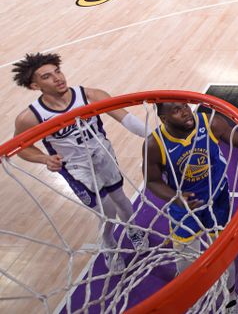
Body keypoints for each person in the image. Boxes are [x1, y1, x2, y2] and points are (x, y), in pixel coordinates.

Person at [143, 101, 238, 313]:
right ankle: (189, 293)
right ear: (164, 119)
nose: (185, 112)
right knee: (185, 262)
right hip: (184, 208)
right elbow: (152, 180)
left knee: (223, 255)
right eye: (176, 110)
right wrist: (175, 198)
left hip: (216, 199)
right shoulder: (154, 145)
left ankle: (230, 298)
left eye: (184, 106)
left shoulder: (210, 123)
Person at [11, 52, 151, 271]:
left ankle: (133, 229)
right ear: (34, 85)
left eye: (57, 71)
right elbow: (22, 148)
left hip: (103, 155)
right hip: (76, 168)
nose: (58, 78)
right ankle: (109, 244)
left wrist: (158, 137)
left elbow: (128, 120)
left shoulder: (90, 95)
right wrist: (44, 158)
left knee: (121, 199)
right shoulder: (31, 117)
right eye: (47, 77)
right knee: (107, 211)